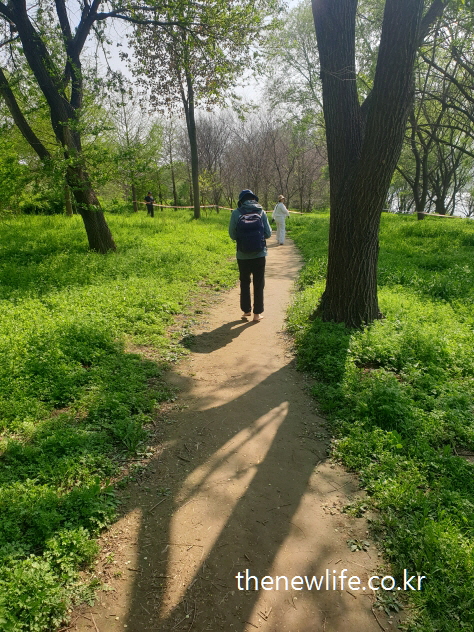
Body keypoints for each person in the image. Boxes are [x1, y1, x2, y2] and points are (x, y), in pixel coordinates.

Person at [229, 189, 272, 322]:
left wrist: (244, 239)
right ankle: (257, 314)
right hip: (259, 254)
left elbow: (232, 234)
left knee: (244, 282)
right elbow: (268, 233)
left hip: (242, 255)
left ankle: (246, 311)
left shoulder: (236, 213)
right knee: (259, 283)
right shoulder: (261, 212)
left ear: (241, 201)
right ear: (254, 199)